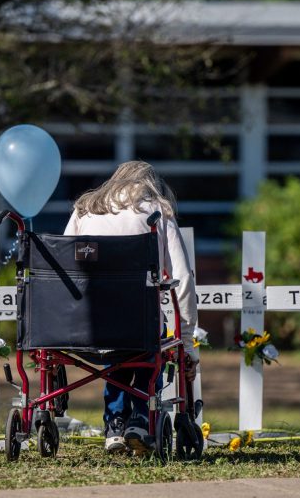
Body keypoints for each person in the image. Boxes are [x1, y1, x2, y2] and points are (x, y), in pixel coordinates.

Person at [64, 160, 198, 454]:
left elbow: (64, 264)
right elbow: (183, 278)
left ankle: (114, 422)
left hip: (88, 323)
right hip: (139, 321)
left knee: (118, 343)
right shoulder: (157, 212)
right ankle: (139, 416)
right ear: (150, 185)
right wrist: (187, 341)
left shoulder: (84, 209)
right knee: (148, 340)